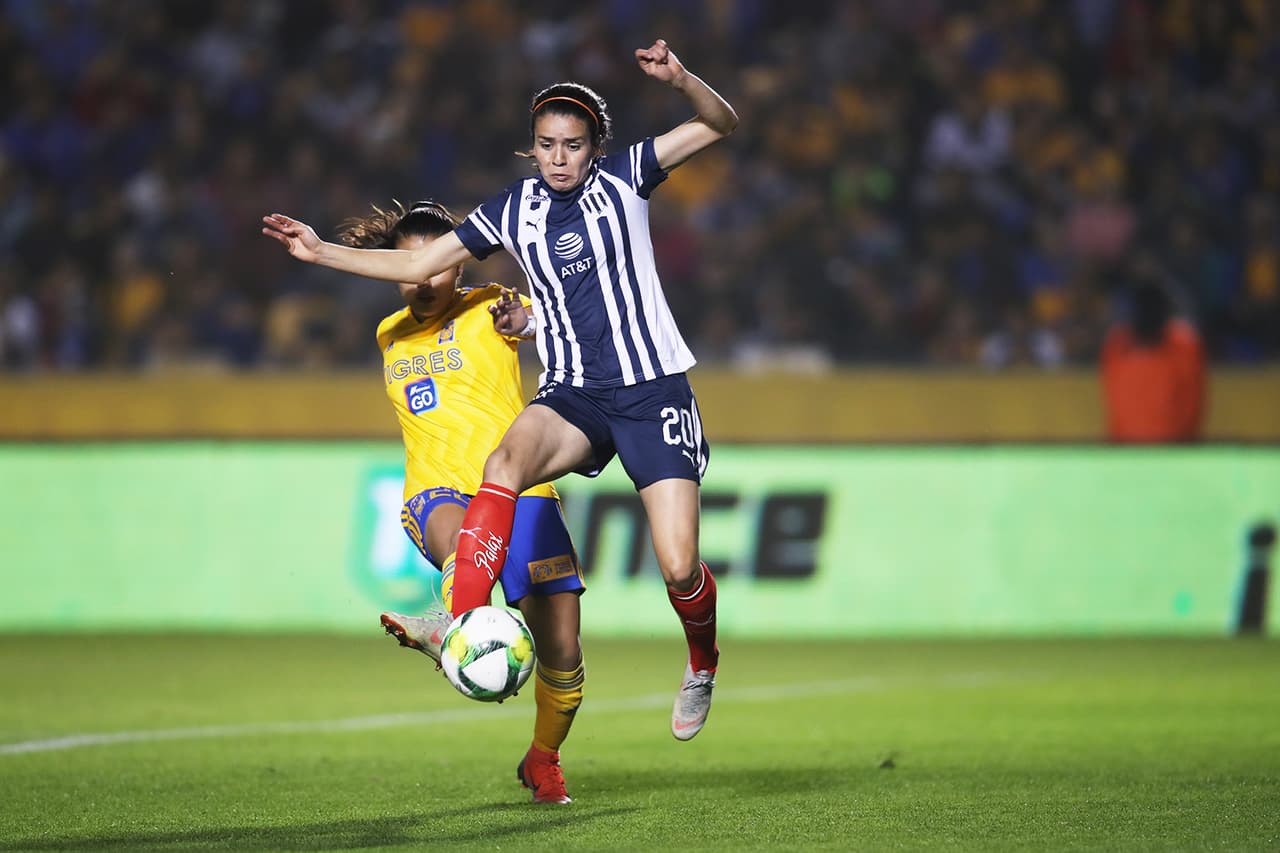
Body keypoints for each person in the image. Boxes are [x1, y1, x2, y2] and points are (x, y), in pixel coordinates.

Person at [263, 38, 738, 742]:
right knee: (503, 466)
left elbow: (721, 123)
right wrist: (319, 250)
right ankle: (459, 615)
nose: (558, 157)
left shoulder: (628, 176)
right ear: (532, 148)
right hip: (574, 391)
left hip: (650, 391)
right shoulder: (513, 210)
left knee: (677, 563)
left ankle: (702, 661)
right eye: (546, 144)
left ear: (593, 147)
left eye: (572, 145)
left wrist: (680, 79)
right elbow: (424, 259)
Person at [338, 199, 584, 804]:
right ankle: (448, 622)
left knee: (562, 653)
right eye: (407, 266)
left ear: (460, 265)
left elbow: (551, 318)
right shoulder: (388, 333)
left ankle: (543, 759)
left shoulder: (493, 305)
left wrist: (524, 320)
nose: (423, 279)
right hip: (435, 491)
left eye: (436, 265)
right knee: (459, 539)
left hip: (521, 490)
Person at [1100, 276, 1207, 443]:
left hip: (1152, 449)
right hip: (1146, 449)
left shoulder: (1117, 347)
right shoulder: (1118, 346)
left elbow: (1192, 406)